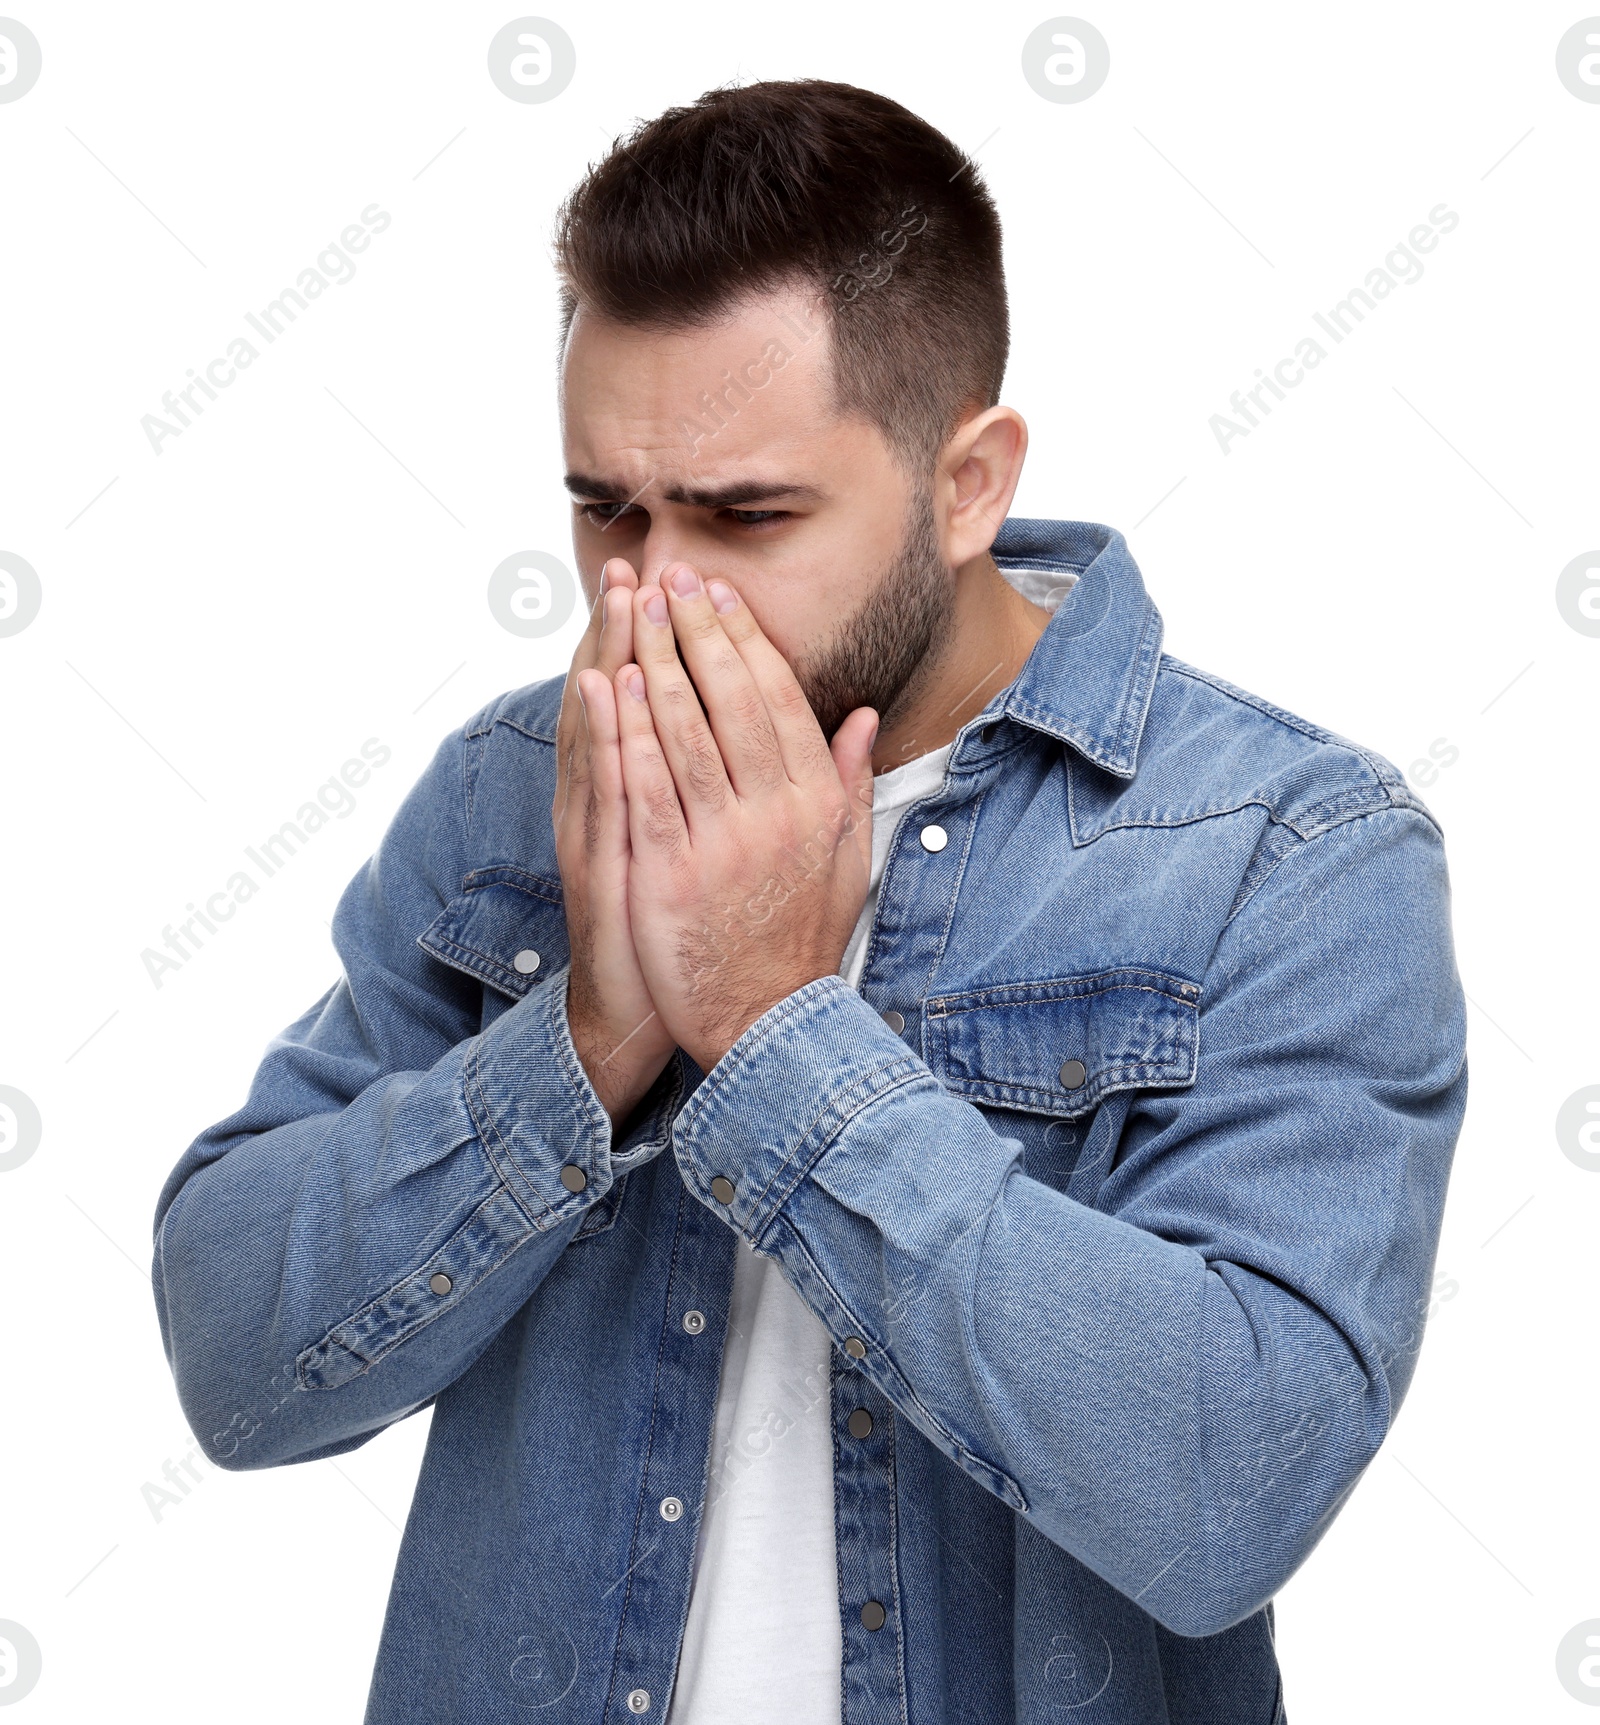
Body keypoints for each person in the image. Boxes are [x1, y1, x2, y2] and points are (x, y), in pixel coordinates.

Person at [151, 78, 1468, 1725]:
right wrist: (589, 1034)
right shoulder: (513, 785)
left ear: (970, 481)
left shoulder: (1285, 847)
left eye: (746, 513)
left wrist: (779, 1035)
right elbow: (237, 1366)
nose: (649, 590)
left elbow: (1223, 1489)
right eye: (602, 505)